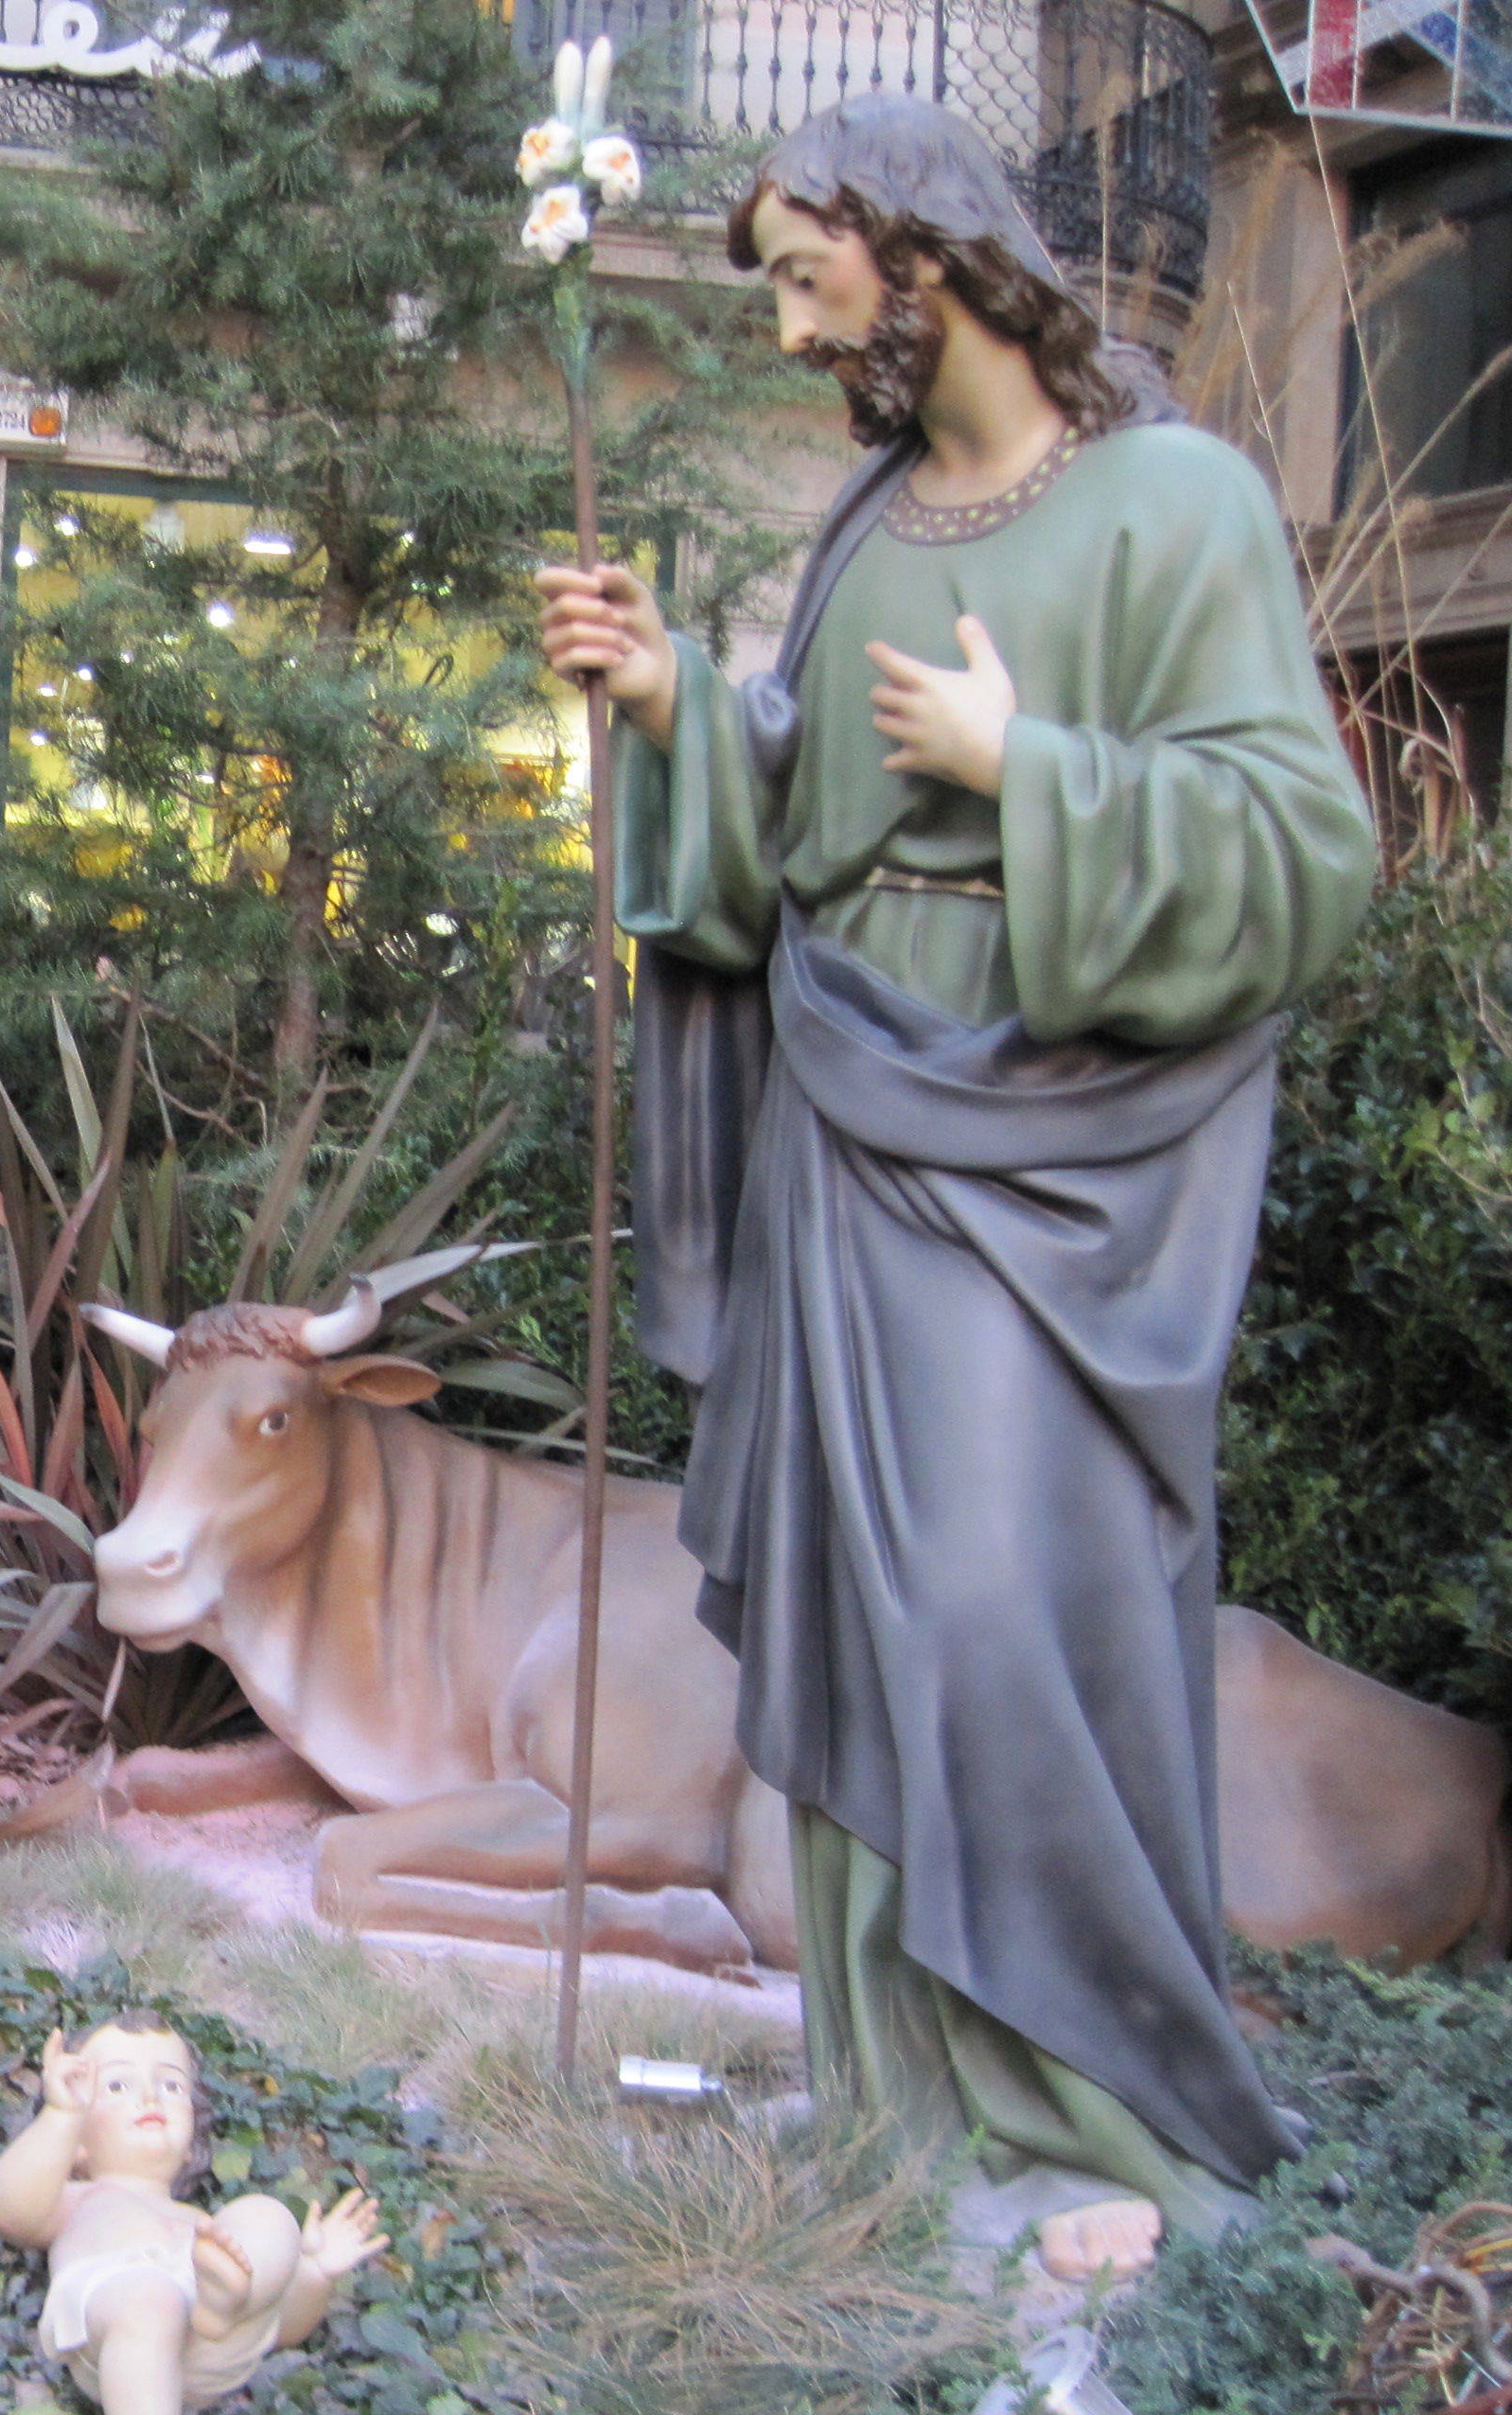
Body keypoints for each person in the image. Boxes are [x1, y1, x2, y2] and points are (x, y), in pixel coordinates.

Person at [536, 97, 1377, 2281]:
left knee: (1006, 1601)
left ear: (926, 254)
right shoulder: (875, 519)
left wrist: (1042, 779)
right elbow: (787, 823)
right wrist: (667, 709)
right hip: (846, 1115)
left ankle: (1086, 2096)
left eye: (814, 282)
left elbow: (1303, 852)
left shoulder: (1176, 503)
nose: (801, 332)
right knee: (854, 1607)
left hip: (1050, 1143)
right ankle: (898, 2084)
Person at [0, 2016, 383, 2415]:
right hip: (118, 2320)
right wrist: (61, 2116)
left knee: (266, 2214)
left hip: (208, 2333)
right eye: (118, 2084)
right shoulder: (79, 2198)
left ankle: (222, 2302)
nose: (151, 2097)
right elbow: (9, 2210)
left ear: (194, 2130)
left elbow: (279, 2329)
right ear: (77, 2147)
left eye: (171, 2084)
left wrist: (314, 2275)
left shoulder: (204, 2228)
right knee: (150, 2298)